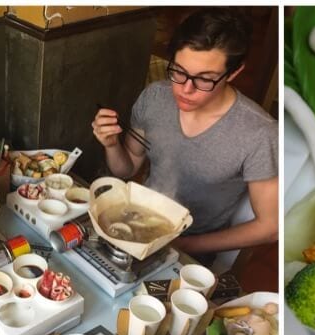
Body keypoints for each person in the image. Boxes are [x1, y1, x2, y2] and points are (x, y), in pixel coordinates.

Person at [92, 7, 278, 263]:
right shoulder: (155, 97)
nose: (185, 89)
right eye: (179, 71)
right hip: (132, 224)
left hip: (192, 246)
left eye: (205, 79)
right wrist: (111, 144)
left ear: (234, 73)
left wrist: (182, 244)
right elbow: (126, 169)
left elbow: (270, 227)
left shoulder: (259, 133)